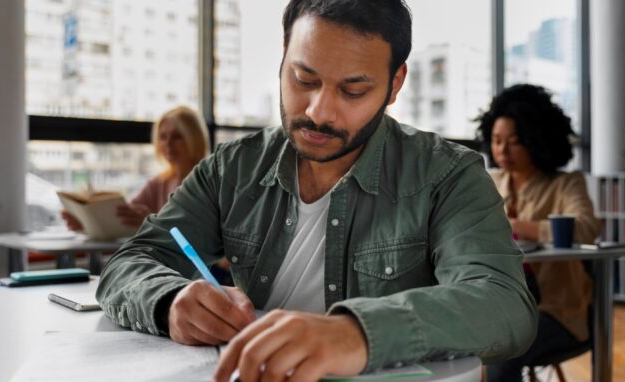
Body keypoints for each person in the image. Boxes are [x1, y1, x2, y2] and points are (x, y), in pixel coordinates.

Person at [97, 1, 538, 381]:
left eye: (353, 90)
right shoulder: (232, 168)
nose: (318, 111)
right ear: (283, 57)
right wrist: (170, 300)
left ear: (395, 83)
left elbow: (503, 303)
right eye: (303, 80)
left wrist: (356, 333)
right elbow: (133, 262)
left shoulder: (447, 174)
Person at [475, 84, 601, 382]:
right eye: (496, 140)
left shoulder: (566, 184)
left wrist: (514, 226)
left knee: (503, 350)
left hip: (556, 311)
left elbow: (585, 228)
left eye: (514, 141)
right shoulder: (487, 181)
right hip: (496, 304)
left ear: (537, 139)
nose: (502, 151)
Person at [61, 105, 210, 231]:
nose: (168, 144)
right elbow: (125, 218)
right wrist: (87, 223)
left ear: (195, 139)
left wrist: (153, 224)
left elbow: (203, 237)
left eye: (177, 137)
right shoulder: (158, 184)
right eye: (163, 137)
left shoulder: (209, 183)